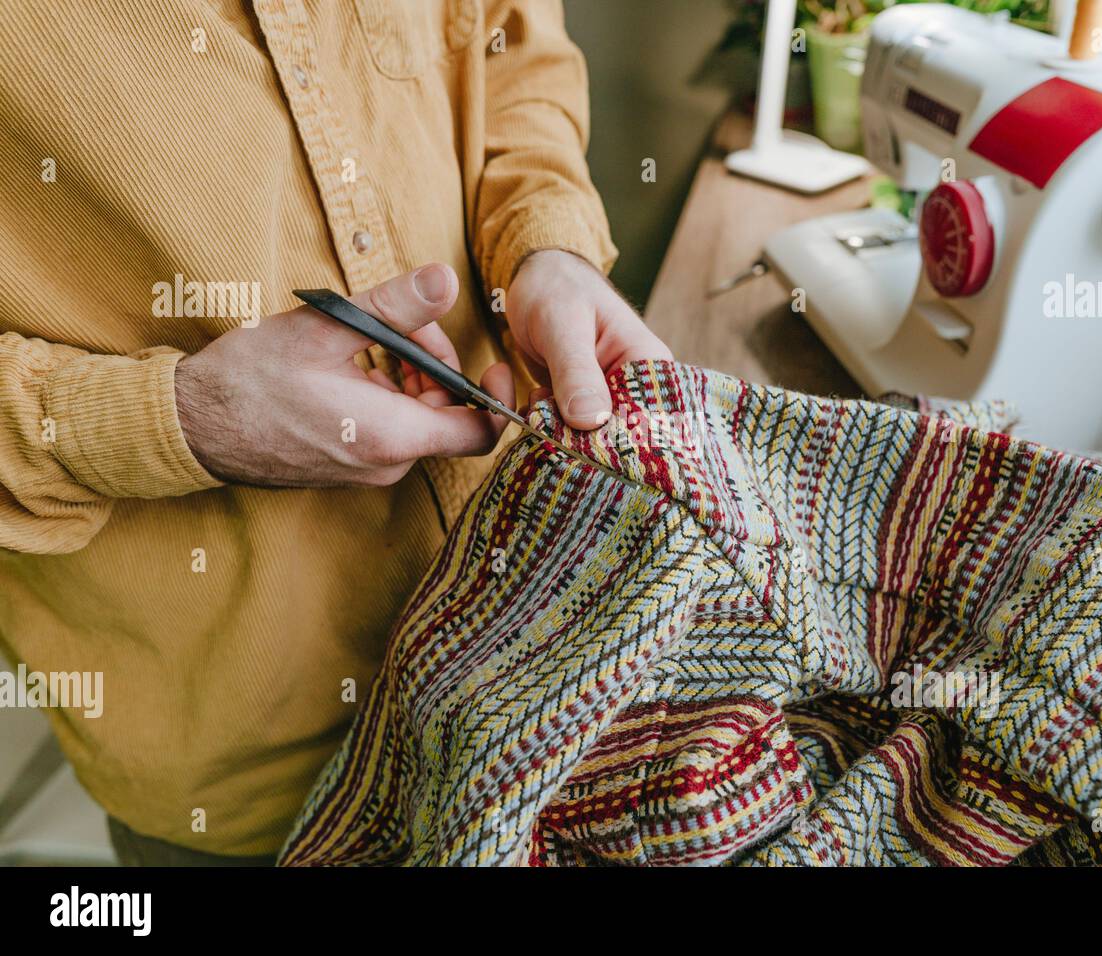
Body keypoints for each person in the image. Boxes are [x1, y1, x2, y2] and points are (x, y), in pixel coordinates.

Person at [0, 0, 669, 865]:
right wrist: (179, 419)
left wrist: (546, 247)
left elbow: (511, 48)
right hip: (252, 796)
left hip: (567, 659)